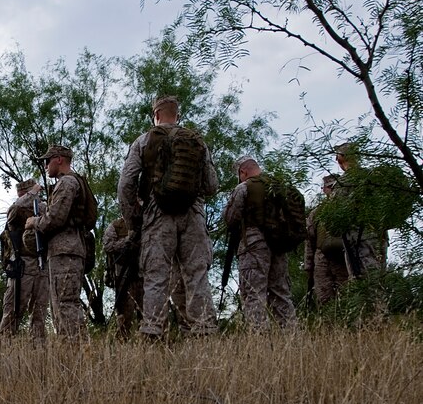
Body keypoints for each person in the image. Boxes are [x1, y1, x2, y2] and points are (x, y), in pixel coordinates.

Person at [118, 96, 218, 339]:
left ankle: (153, 332)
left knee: (156, 276)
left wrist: (134, 220)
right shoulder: (196, 141)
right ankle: (204, 332)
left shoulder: (144, 140)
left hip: (157, 214)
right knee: (196, 275)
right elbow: (212, 185)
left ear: (156, 114)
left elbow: (125, 185)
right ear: (178, 115)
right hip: (193, 214)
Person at [25, 145, 91, 341]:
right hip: (65, 251)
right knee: (61, 306)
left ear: (59, 159)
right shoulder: (70, 182)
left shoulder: (67, 183)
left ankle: (78, 354)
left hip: (66, 252)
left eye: (48, 160)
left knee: (65, 305)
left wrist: (34, 222)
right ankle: (72, 354)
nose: (45, 166)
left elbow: (55, 219)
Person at [223, 156, 297, 329]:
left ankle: (259, 339)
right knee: (281, 294)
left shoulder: (244, 188)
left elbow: (230, 218)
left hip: (253, 246)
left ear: (243, 171)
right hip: (279, 245)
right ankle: (293, 338)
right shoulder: (279, 187)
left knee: (254, 293)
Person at [0, 179, 49, 342]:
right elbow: (16, 207)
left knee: (40, 312)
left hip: (42, 264)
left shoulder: (43, 208)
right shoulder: (16, 210)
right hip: (22, 264)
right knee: (13, 309)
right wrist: (31, 194)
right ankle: (5, 346)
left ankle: (37, 349)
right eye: (23, 194)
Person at [333, 142, 387, 277]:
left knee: (364, 279)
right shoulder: (373, 176)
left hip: (358, 237)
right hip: (379, 234)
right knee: (378, 276)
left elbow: (336, 214)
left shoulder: (344, 182)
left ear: (341, 157)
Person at [304, 175, 348, 305]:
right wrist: (308, 266)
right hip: (322, 258)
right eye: (328, 187)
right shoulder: (317, 212)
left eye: (333, 187)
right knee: (323, 296)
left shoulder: (348, 209)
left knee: (346, 294)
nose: (331, 190)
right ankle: (328, 323)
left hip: (343, 257)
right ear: (324, 190)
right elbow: (309, 240)